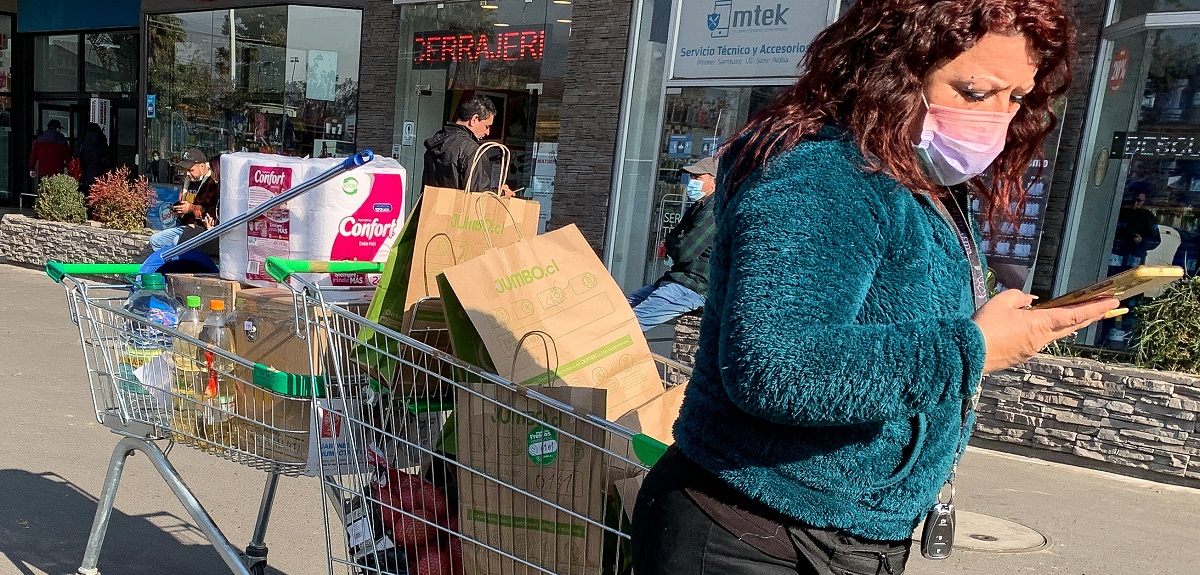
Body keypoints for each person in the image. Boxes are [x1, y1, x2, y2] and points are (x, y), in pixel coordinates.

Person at [630, 2, 1121, 574]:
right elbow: (778, 368)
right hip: (754, 533)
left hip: (841, 530)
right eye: (974, 90)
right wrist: (973, 348)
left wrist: (986, 324)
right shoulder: (824, 175)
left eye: (1016, 97)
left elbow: (882, 309)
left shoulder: (909, 171)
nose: (998, 117)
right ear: (892, 71)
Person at [626, 157, 717, 331]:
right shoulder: (698, 206)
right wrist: (676, 241)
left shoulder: (713, 211)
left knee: (630, 325)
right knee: (620, 310)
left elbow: (684, 252)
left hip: (692, 287)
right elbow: (672, 239)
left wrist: (676, 242)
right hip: (674, 280)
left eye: (698, 177)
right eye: (691, 177)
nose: (692, 182)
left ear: (715, 181)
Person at [422, 95, 512, 195]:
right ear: (474, 119)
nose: (488, 132)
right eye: (487, 126)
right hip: (457, 209)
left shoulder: (437, 141)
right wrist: (501, 193)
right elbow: (478, 196)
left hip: (430, 207)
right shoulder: (471, 149)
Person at [148, 149, 220, 250]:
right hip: (186, 227)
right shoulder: (188, 182)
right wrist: (179, 210)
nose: (187, 174)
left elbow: (213, 214)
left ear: (202, 166)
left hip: (201, 229)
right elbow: (184, 204)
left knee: (176, 241)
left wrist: (190, 208)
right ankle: (171, 265)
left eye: (190, 170)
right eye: (185, 170)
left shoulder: (212, 183)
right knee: (155, 240)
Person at [77, 122, 110, 193]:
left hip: (84, 170)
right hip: (99, 170)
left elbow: (76, 155)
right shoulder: (102, 141)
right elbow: (108, 159)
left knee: (85, 192)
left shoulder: (82, 140)